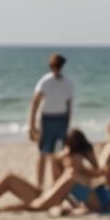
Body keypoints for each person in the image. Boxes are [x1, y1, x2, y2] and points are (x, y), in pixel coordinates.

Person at [0, 121, 110, 213]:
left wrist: (80, 170)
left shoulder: (87, 159)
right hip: (56, 195)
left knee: (37, 204)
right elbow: (58, 181)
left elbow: (100, 177)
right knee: (8, 178)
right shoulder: (64, 159)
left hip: (64, 198)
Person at [27, 52, 74, 187]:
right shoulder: (45, 81)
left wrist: (68, 125)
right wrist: (32, 125)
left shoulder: (67, 82)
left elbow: (69, 105)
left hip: (61, 120)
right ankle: (39, 185)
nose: (57, 69)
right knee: (43, 152)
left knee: (59, 155)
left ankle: (57, 184)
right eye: (55, 66)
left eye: (59, 66)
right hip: (47, 120)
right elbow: (35, 103)